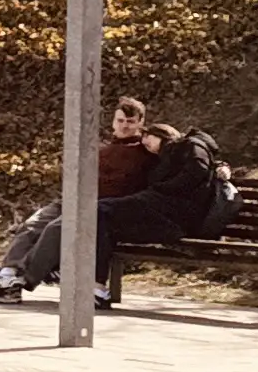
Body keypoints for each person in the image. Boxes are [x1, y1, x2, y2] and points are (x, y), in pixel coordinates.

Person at [0, 96, 158, 301]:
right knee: (32, 225)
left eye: (130, 122)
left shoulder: (144, 153)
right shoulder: (101, 149)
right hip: (72, 200)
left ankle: (20, 281)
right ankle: (6, 274)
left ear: (141, 122)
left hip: (101, 208)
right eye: (120, 120)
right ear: (113, 121)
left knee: (56, 229)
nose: (124, 126)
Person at [86, 124, 235, 306]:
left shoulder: (191, 145)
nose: (144, 141)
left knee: (100, 209)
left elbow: (198, 171)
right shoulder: (162, 157)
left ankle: (87, 282)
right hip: (160, 216)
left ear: (162, 134)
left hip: (176, 220)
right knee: (104, 223)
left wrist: (160, 189)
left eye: (147, 136)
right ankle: (97, 288)